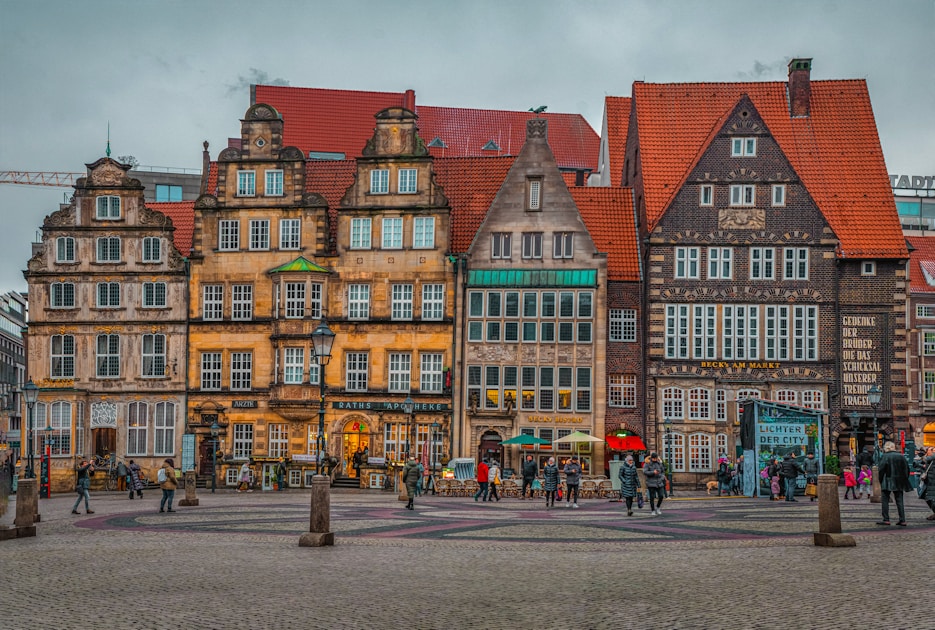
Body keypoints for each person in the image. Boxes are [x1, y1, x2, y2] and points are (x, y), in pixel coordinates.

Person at [876, 441, 912, 526]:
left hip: (887, 480)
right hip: (899, 480)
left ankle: (886, 519)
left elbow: (881, 470)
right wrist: (904, 478)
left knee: (885, 500)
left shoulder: (885, 456)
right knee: (899, 500)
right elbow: (907, 469)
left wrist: (880, 480)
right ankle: (902, 519)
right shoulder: (901, 456)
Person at [919, 447, 935, 521]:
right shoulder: (930, 458)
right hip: (928, 480)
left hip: (932, 481)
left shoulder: (932, 457)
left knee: (930, 498)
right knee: (927, 498)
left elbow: (925, 459)